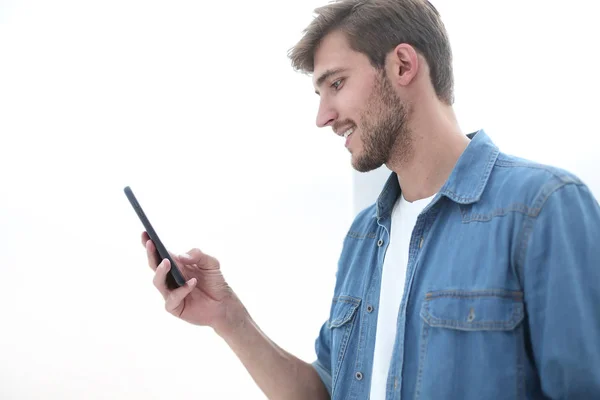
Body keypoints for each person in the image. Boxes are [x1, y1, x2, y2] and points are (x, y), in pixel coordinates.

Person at [141, 0, 600, 399]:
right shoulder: (365, 235)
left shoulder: (542, 209)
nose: (323, 117)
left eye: (336, 84)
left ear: (402, 65)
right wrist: (228, 318)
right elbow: (327, 391)